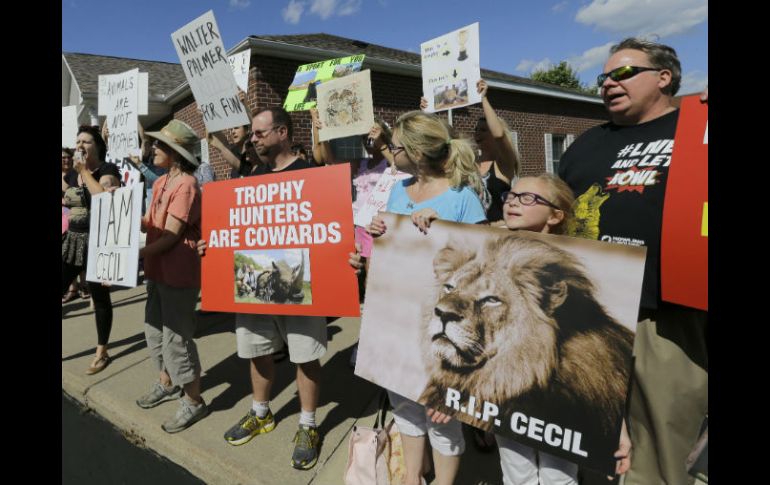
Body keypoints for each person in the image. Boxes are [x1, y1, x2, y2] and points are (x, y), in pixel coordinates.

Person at [558, 37, 706, 485]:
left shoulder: (697, 129)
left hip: (664, 310)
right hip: (590, 308)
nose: (607, 83)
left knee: (663, 432)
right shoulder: (585, 144)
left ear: (664, 78)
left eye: (623, 73)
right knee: (592, 426)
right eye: (603, 77)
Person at [353, 111, 487, 485]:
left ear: (416, 151)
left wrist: (443, 226)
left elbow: (483, 262)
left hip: (444, 331)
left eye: (394, 147)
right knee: (407, 405)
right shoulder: (398, 190)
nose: (389, 152)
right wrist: (376, 234)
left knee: (442, 415)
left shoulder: (462, 196)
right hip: (398, 320)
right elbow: (387, 252)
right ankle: (412, 477)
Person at [199, 107, 326, 470]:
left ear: (282, 133)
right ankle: (261, 413)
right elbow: (236, 227)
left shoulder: (310, 175)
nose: (252, 139)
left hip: (299, 284)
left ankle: (308, 425)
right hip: (255, 283)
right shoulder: (252, 176)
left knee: (305, 355)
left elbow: (328, 230)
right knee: (258, 350)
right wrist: (213, 247)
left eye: (258, 133)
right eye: (252, 134)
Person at [492, 174, 581, 484]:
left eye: (529, 198)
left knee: (559, 473)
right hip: (507, 392)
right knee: (516, 468)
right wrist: (427, 220)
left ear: (556, 215)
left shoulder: (580, 258)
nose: (514, 200)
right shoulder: (486, 240)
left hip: (558, 395)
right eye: (511, 195)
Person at [134, 120, 208, 434]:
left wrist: (133, 256)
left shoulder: (187, 184)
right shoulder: (163, 182)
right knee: (154, 331)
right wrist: (118, 209)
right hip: (157, 269)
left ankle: (193, 401)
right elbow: (149, 224)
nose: (153, 149)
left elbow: (171, 236)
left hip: (178, 270)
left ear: (175, 153)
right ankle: (167, 382)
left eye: (159, 146)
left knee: (177, 339)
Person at [61, 125, 120, 374]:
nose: (80, 145)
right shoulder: (73, 175)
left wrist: (84, 171)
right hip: (72, 241)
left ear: (97, 145)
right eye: (78, 141)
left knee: (100, 298)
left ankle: (101, 351)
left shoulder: (107, 170)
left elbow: (104, 199)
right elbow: (69, 199)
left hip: (98, 244)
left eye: (86, 141)